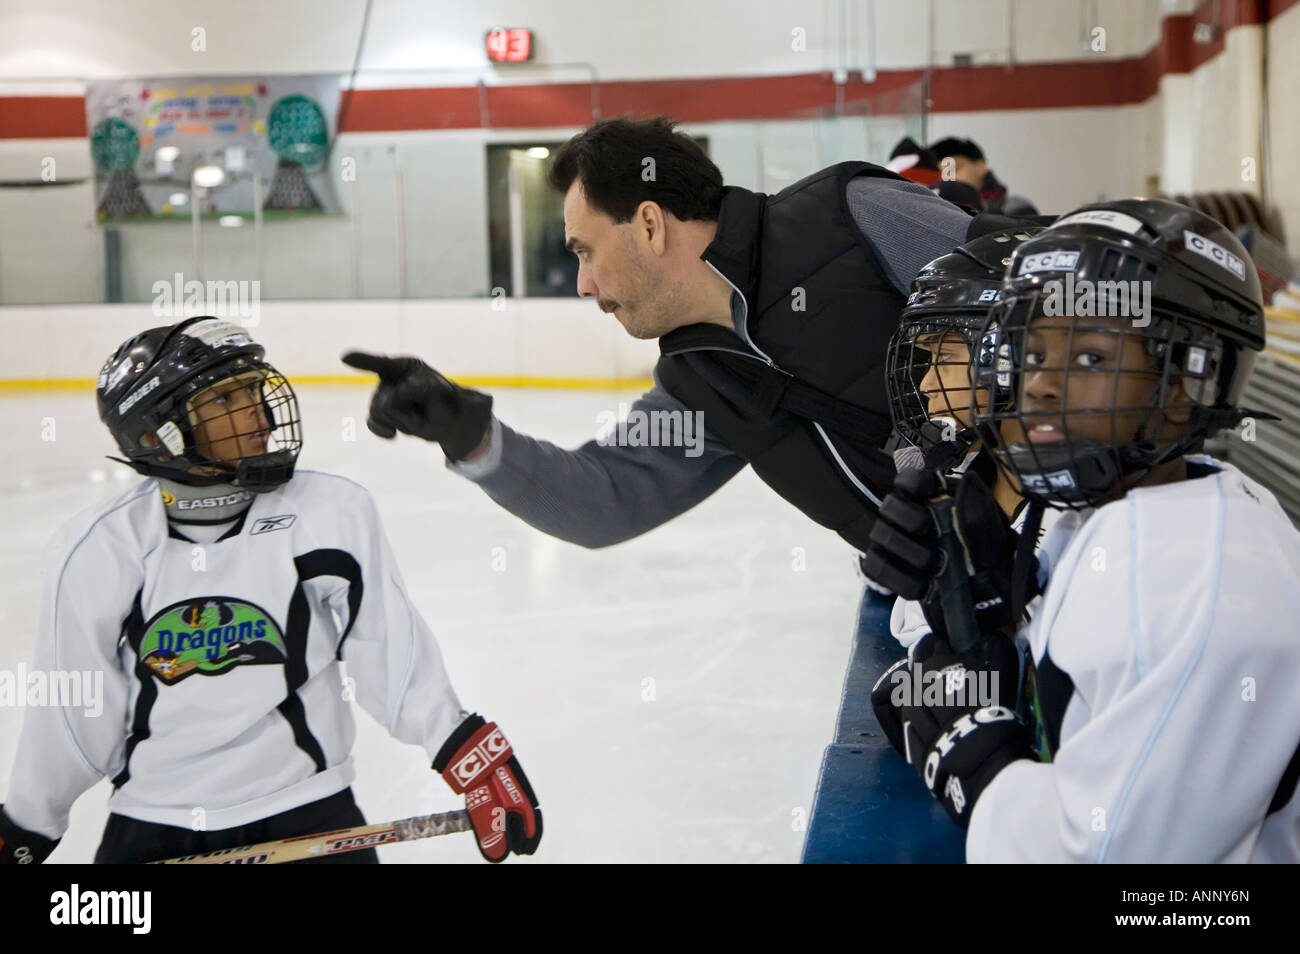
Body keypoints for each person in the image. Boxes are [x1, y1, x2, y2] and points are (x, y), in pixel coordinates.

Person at [342, 117, 1041, 643]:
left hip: (1072, 541)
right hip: (976, 611)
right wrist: (472, 437)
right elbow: (608, 498)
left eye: (585, 251)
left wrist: (987, 480)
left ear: (648, 225)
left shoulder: (852, 214)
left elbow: (1041, 316)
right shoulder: (700, 384)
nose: (582, 283)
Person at [0, 317, 541, 864]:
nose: (258, 411)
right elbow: (73, 712)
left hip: (311, 813)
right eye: (225, 400)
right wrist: (27, 826)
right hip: (154, 828)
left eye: (254, 387)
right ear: (155, 434)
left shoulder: (331, 511)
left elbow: (389, 650)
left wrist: (467, 753)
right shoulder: (98, 547)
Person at [865, 198, 1300, 862]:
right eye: (1033, 352)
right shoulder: (1091, 511)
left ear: (1188, 382)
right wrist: (963, 606)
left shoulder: (1207, 583)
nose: (1039, 384)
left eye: (1091, 359)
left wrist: (980, 766)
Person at [867, 225, 1062, 652]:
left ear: (1013, 353)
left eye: (946, 356)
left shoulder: (1077, 510)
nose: (925, 385)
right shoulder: (962, 476)